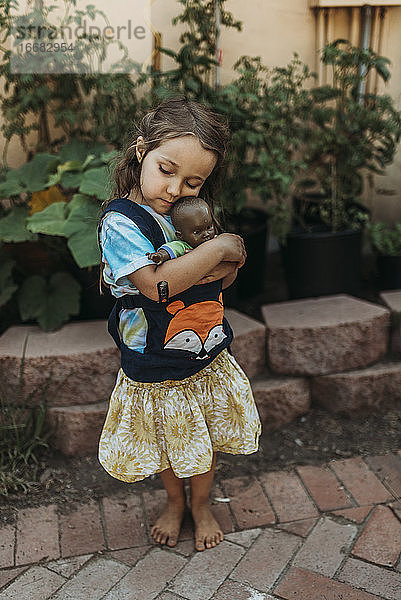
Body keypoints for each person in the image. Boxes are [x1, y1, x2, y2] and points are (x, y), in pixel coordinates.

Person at [98, 97, 261, 552]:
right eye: (166, 170)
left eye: (193, 181)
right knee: (172, 441)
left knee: (201, 436)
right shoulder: (121, 223)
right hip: (154, 360)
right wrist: (221, 248)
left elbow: (228, 274)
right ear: (140, 150)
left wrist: (227, 258)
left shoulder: (191, 213)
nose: (175, 189)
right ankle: (175, 502)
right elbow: (156, 288)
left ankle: (202, 503)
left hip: (205, 352)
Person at [146, 196, 216, 265]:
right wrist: (160, 256)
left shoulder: (216, 240)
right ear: (180, 236)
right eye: (197, 232)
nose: (206, 234)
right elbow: (170, 250)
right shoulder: (183, 246)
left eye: (208, 227)